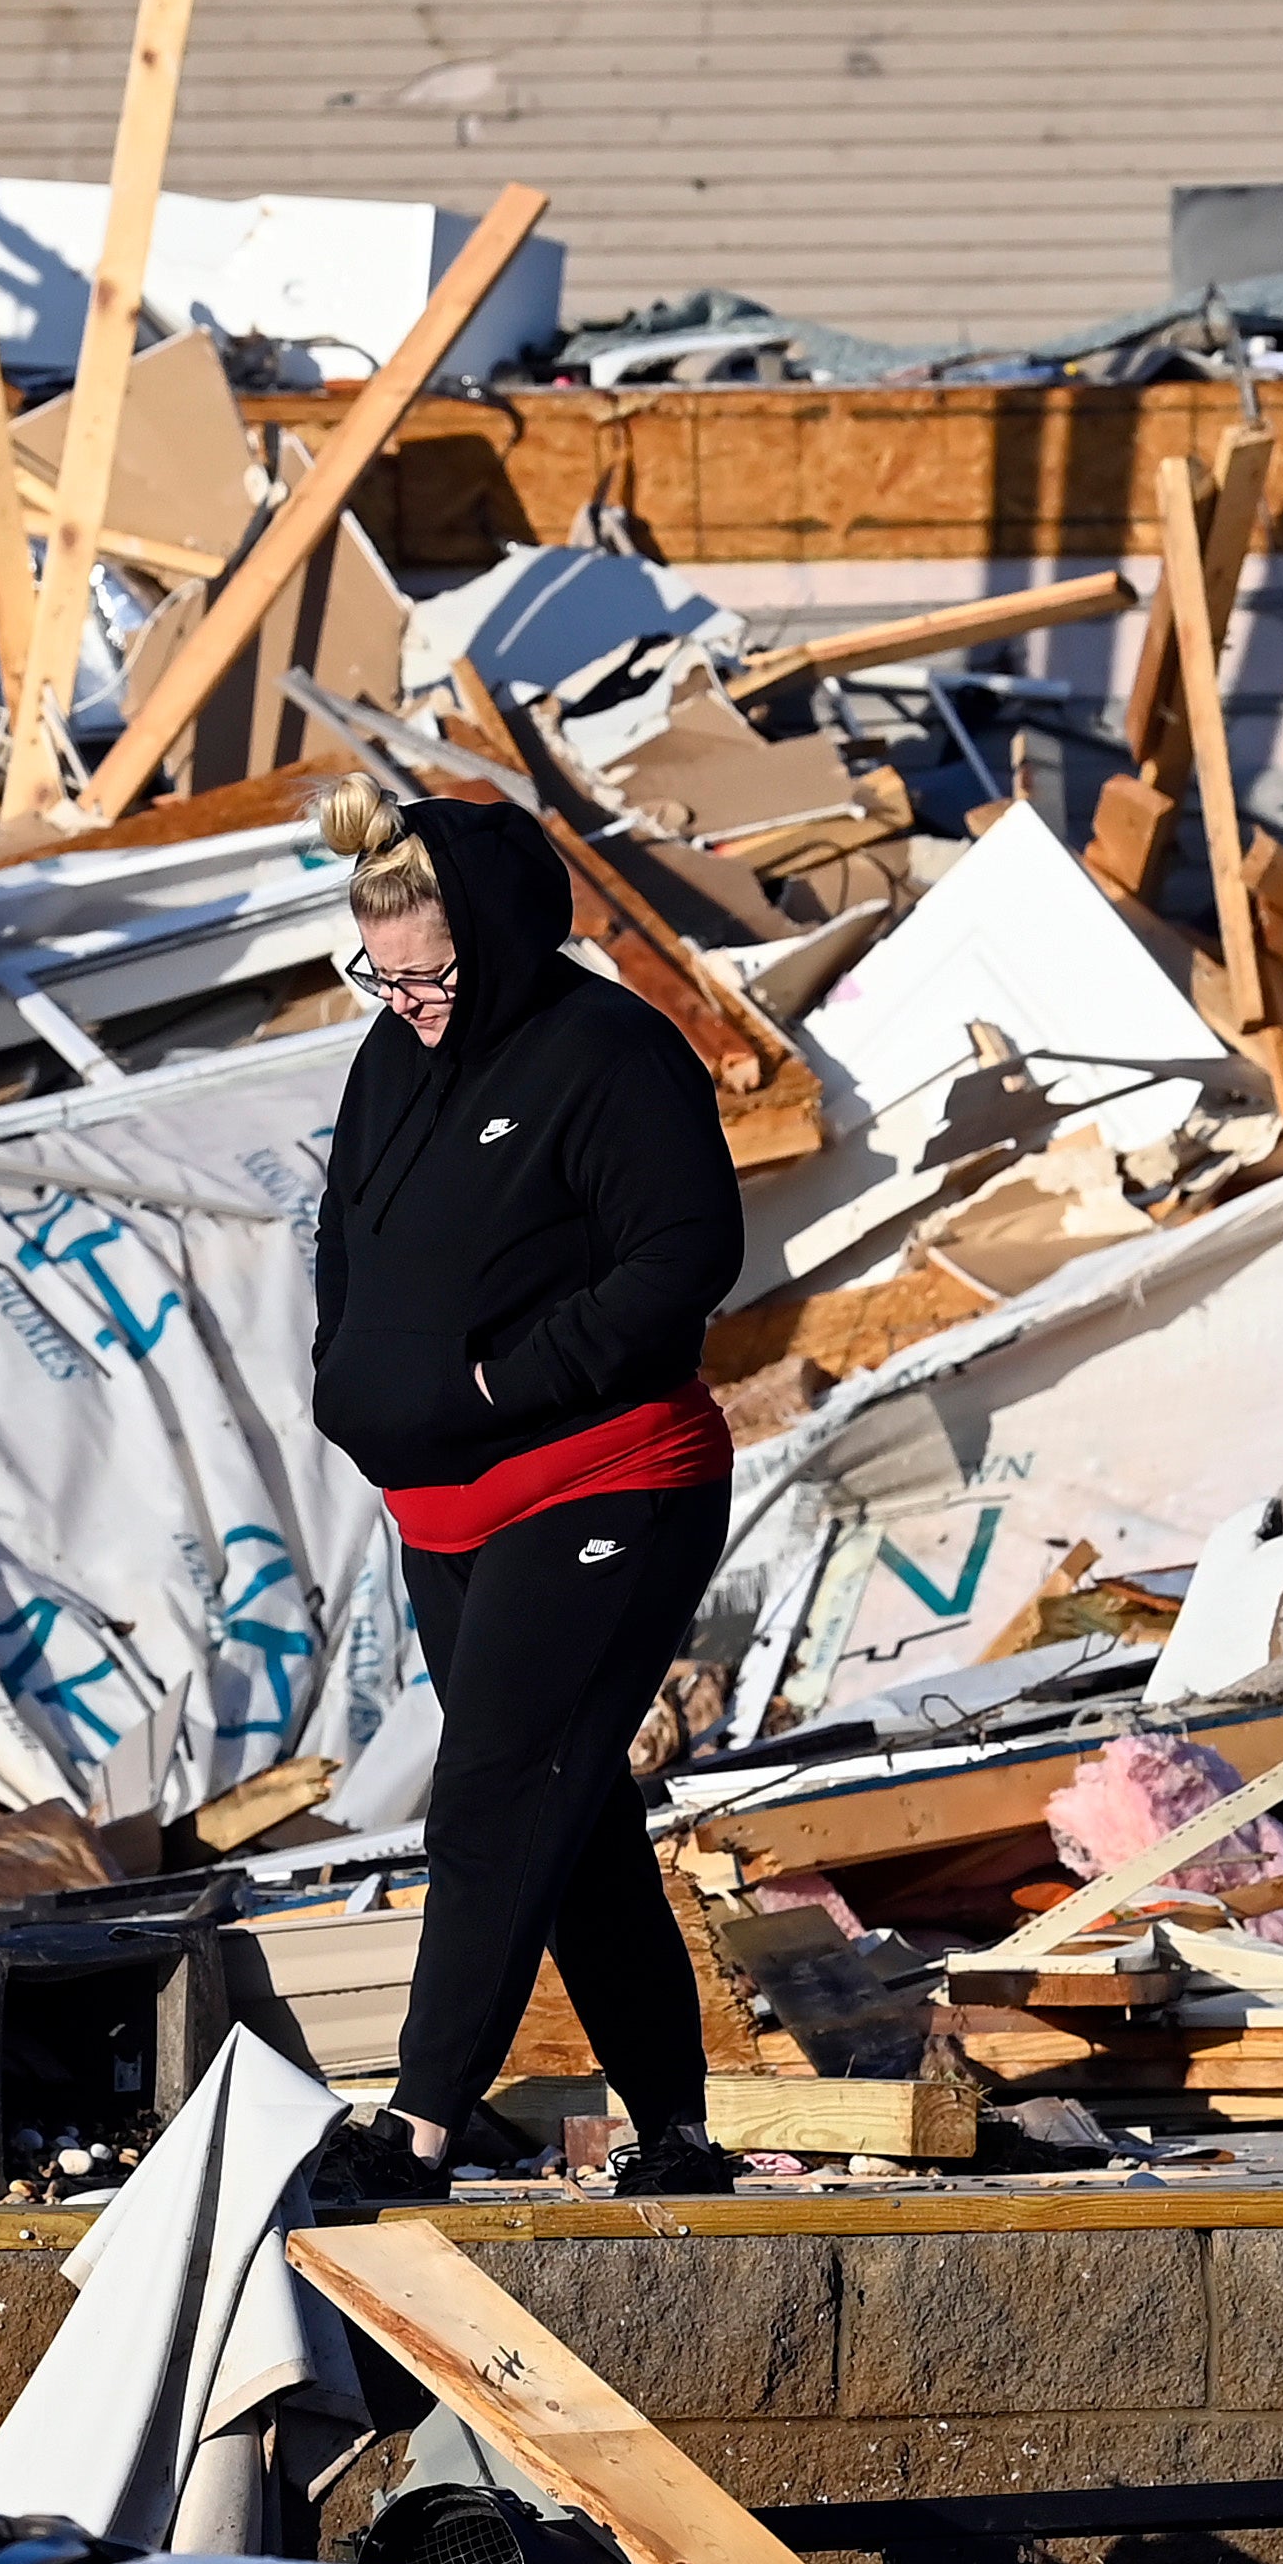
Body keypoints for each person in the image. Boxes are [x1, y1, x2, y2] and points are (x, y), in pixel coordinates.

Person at [300, 777, 744, 2203]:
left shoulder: (607, 1051)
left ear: (491, 937)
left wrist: (501, 1385)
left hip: (608, 1481)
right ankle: (674, 2131)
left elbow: (682, 1258)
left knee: (493, 1791)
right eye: (384, 974)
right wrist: (352, 1375)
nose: (411, 999)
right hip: (443, 1513)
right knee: (570, 1811)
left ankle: (419, 2128)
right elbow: (348, 1246)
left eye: (432, 972)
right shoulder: (392, 1057)